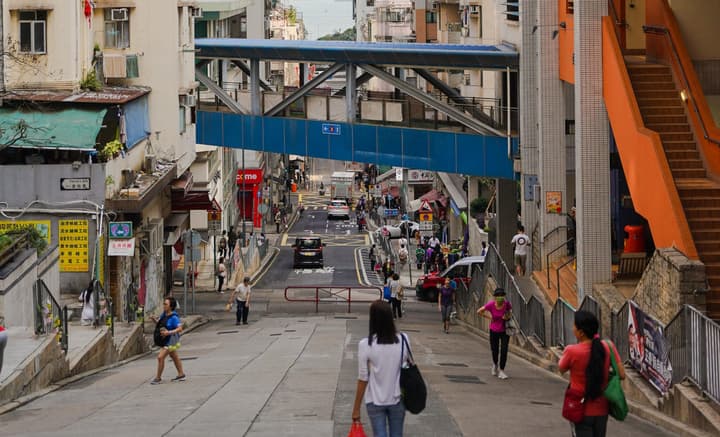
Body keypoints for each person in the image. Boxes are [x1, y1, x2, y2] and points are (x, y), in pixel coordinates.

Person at [559, 311, 626, 437]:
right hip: (602, 409)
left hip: (580, 408)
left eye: (574, 325)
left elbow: (561, 368)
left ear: (581, 332)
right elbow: (622, 374)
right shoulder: (608, 347)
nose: (572, 328)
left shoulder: (572, 351)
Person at [351, 300, 407, 437]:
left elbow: (363, 378)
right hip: (398, 399)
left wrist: (356, 409)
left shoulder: (366, 344)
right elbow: (405, 366)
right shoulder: (404, 340)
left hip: (374, 400)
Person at [477, 288, 513, 379]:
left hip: (505, 330)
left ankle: (501, 370)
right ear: (495, 297)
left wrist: (507, 316)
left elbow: (510, 313)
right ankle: (495, 364)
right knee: (495, 350)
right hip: (494, 330)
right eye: (498, 296)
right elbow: (479, 311)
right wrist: (489, 318)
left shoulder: (507, 304)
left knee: (504, 350)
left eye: (502, 296)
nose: (501, 297)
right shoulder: (491, 305)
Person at [151, 297, 185, 384]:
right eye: (164, 304)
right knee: (174, 356)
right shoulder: (164, 315)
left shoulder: (174, 317)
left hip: (171, 340)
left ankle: (158, 378)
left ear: (171, 306)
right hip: (166, 339)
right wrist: (154, 320)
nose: (164, 306)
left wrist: (168, 332)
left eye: (166, 304)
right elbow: (160, 324)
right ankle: (181, 374)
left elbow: (180, 328)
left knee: (160, 357)